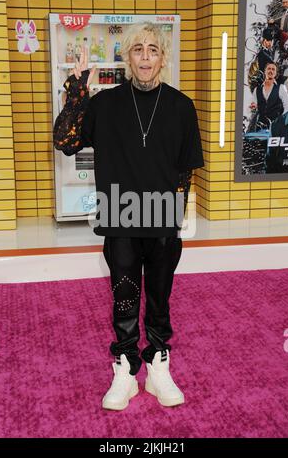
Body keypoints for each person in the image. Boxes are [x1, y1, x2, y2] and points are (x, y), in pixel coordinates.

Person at [53, 22, 204, 410]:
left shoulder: (182, 106)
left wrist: (174, 221)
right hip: (120, 216)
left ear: (163, 57)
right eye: (138, 50)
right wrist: (75, 92)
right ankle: (125, 367)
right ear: (127, 57)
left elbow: (186, 171)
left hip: (163, 219)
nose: (146, 58)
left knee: (159, 297)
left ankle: (156, 364)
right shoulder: (105, 104)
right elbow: (65, 142)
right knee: (124, 297)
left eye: (153, 50)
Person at [250, 62, 288, 126]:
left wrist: (281, 120)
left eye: (273, 69)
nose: (271, 71)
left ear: (276, 73)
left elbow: (287, 106)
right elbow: (253, 107)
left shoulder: (281, 88)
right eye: (269, 69)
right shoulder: (257, 89)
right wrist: (252, 108)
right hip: (259, 126)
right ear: (265, 71)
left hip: (276, 127)